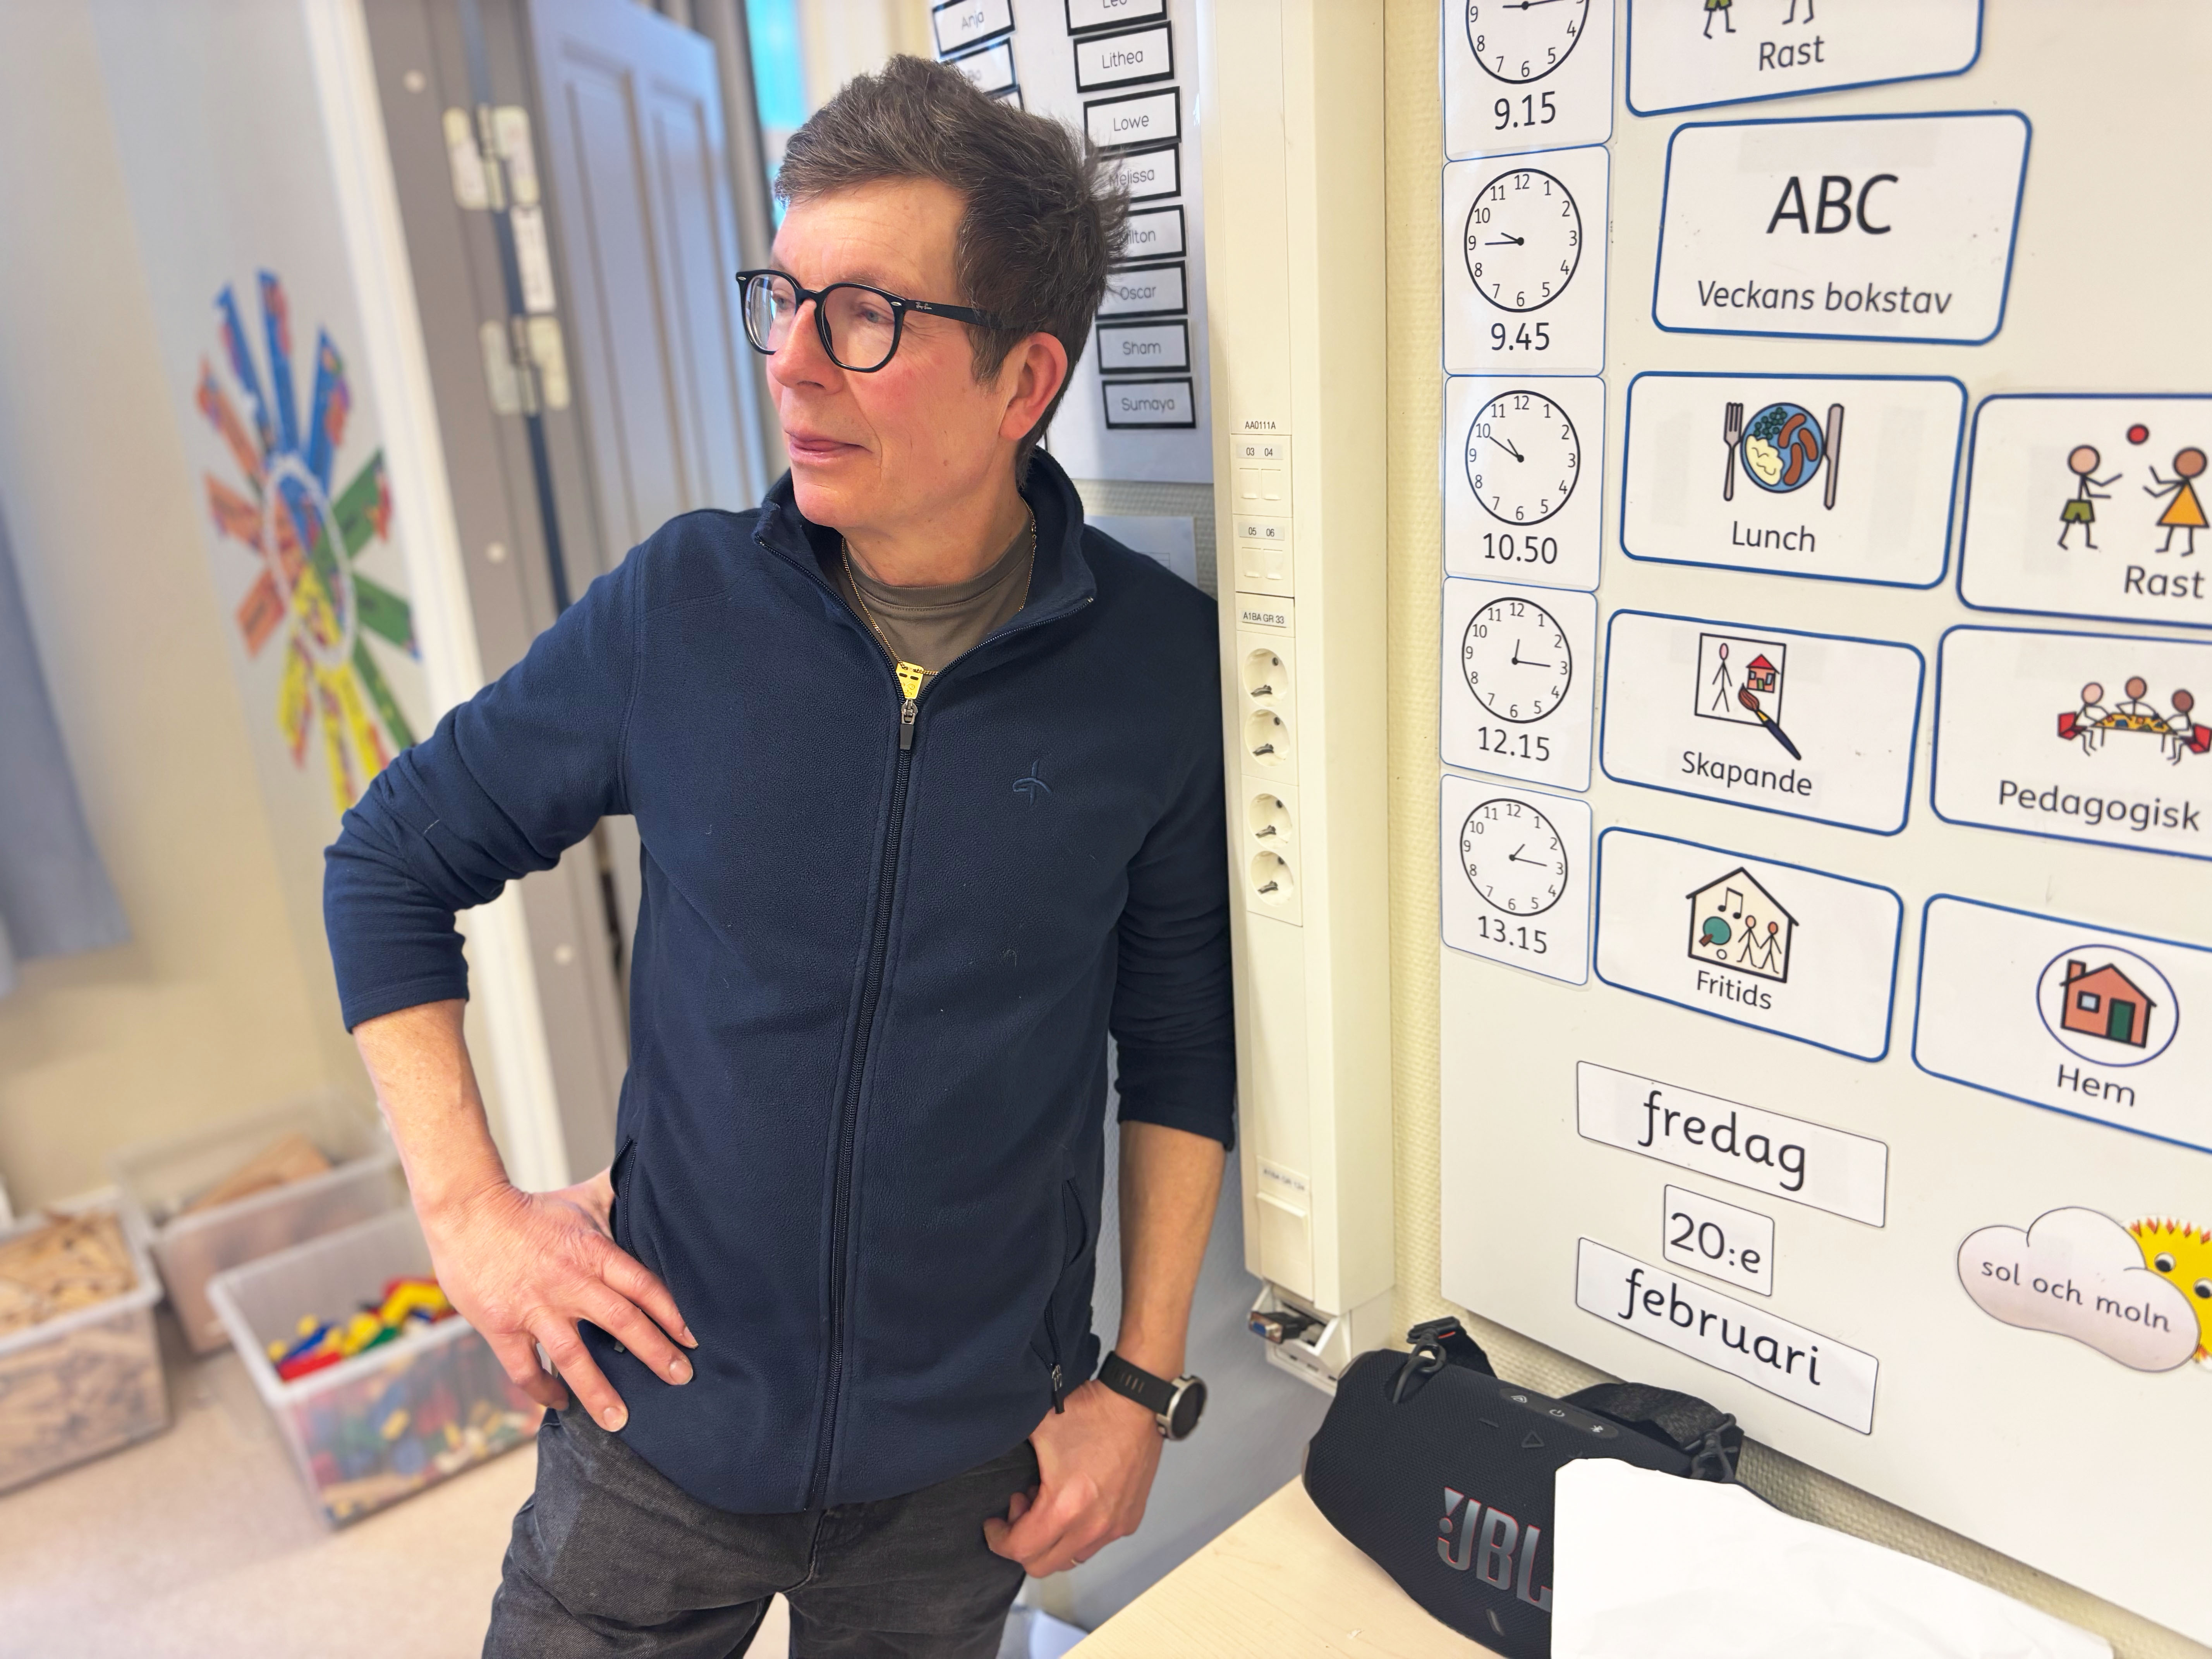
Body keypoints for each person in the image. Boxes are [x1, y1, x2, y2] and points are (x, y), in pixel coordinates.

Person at [323, 57, 1233, 1659]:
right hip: (652, 1418)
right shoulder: (680, 609)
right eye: (783, 300)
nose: (793, 365)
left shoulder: (1155, 669)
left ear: (1024, 382)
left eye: (866, 317)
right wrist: (467, 1218)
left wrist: (1140, 1385)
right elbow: (392, 859)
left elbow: (1177, 1043)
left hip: (966, 1471)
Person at [2144, 446, 2206, 556]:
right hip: (2184, 506)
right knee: (2179, 527)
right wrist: (2153, 487)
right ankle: (2171, 548)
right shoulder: (2183, 483)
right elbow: (2161, 483)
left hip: (2187, 506)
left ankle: (2189, 549)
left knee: (2185, 527)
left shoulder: (2184, 484)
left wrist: (2155, 490)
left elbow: (2162, 484)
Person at [2058, 444, 2119, 550]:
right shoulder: (2084, 478)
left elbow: (2091, 493)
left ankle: (2087, 543)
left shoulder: (2084, 478)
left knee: (2085, 524)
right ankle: (2062, 541)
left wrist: (2105, 495)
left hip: (2082, 505)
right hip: (2076, 505)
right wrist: (2116, 478)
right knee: (2070, 524)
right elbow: (2100, 486)